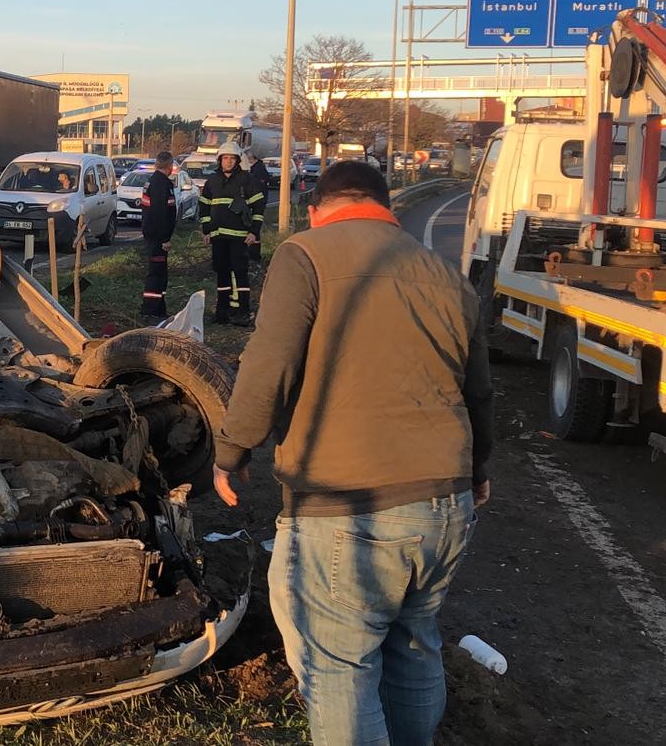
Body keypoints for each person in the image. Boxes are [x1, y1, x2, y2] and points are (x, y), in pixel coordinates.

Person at [212, 160, 494, 745]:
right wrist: (480, 471)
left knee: (339, 665)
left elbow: (270, 365)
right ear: (386, 208)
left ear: (318, 208)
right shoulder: (445, 274)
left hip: (348, 504)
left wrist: (232, 450)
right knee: (415, 644)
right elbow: (479, 391)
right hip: (447, 502)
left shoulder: (306, 253)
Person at [198, 143, 265, 326]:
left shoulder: (247, 180)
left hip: (240, 236)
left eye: (232, 158)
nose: (228, 162)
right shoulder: (212, 181)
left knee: (240, 273)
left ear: (237, 161)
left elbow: (258, 207)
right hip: (218, 237)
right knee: (222, 273)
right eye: (225, 158)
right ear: (220, 160)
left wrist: (254, 232)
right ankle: (222, 311)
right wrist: (206, 230)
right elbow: (204, 206)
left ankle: (242, 312)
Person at [138, 151, 179, 321]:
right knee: (156, 274)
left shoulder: (152, 181)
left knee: (160, 273)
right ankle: (152, 310)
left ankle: (159, 308)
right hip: (158, 238)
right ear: (170, 166)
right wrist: (165, 239)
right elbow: (162, 213)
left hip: (152, 235)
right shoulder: (162, 185)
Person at [242, 147, 272, 265]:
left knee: (254, 230)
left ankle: (254, 257)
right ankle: (252, 256)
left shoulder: (258, 170)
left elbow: (258, 190)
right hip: (253, 205)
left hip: (255, 206)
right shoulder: (256, 169)